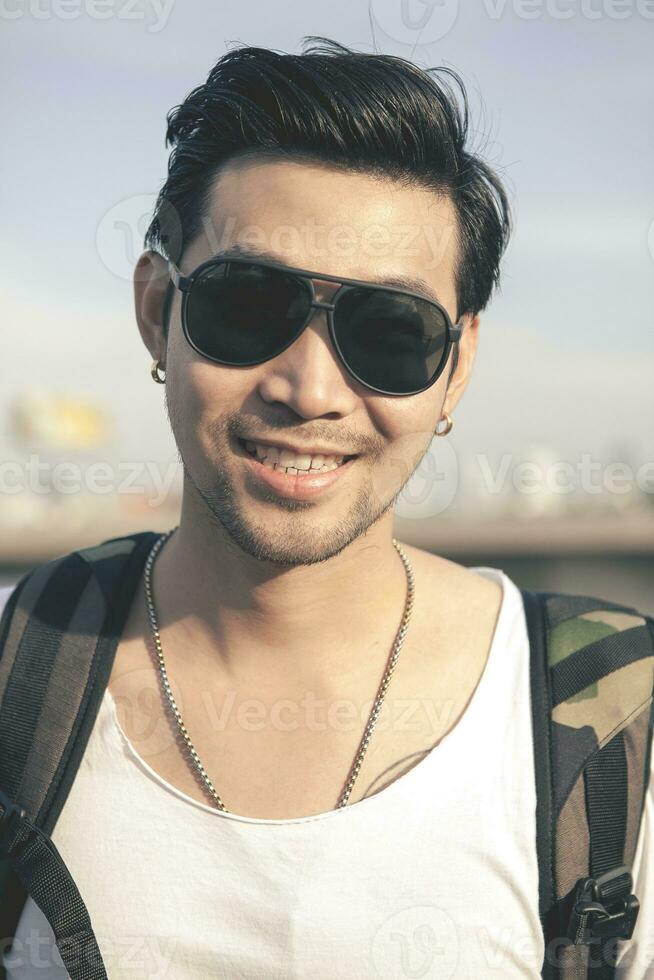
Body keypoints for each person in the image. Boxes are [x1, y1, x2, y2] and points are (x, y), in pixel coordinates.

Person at [1, 36, 652, 980]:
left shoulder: (612, 731)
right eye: (246, 306)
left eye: (391, 332)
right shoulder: (21, 678)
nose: (311, 390)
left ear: (457, 366)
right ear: (156, 312)